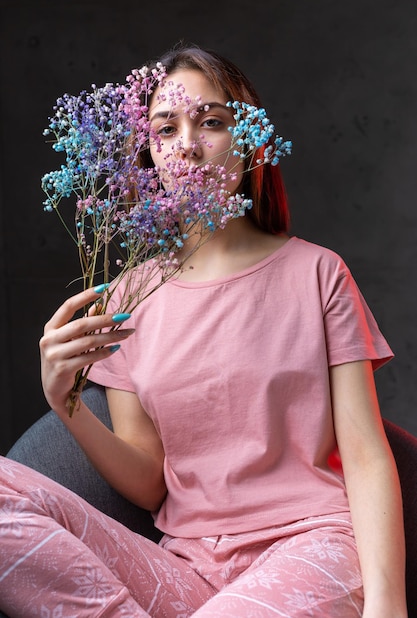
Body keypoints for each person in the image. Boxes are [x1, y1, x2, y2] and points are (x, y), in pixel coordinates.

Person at [0, 44, 408, 618]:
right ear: (150, 153)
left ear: (247, 140)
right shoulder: (128, 296)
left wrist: (387, 605)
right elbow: (148, 483)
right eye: (166, 128)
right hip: (185, 568)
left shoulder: (318, 273)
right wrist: (63, 401)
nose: (187, 144)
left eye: (210, 121)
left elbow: (366, 455)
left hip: (311, 546)